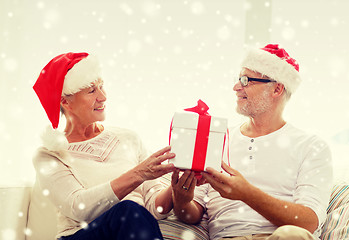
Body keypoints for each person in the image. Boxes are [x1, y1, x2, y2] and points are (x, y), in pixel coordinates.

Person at [171, 44, 333, 240]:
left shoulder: (311, 146)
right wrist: (182, 202)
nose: (236, 87)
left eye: (246, 80)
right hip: (227, 238)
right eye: (238, 79)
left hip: (282, 237)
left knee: (291, 235)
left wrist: (246, 193)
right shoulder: (219, 139)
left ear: (277, 89)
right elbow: (191, 214)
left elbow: (308, 222)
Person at [32, 52, 176, 240]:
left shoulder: (129, 138)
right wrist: (138, 174)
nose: (103, 96)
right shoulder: (49, 155)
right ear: (65, 102)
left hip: (130, 232)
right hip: (79, 236)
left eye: (102, 87)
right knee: (128, 211)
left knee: (131, 213)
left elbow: (155, 209)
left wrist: (176, 188)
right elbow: (79, 208)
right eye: (92, 91)